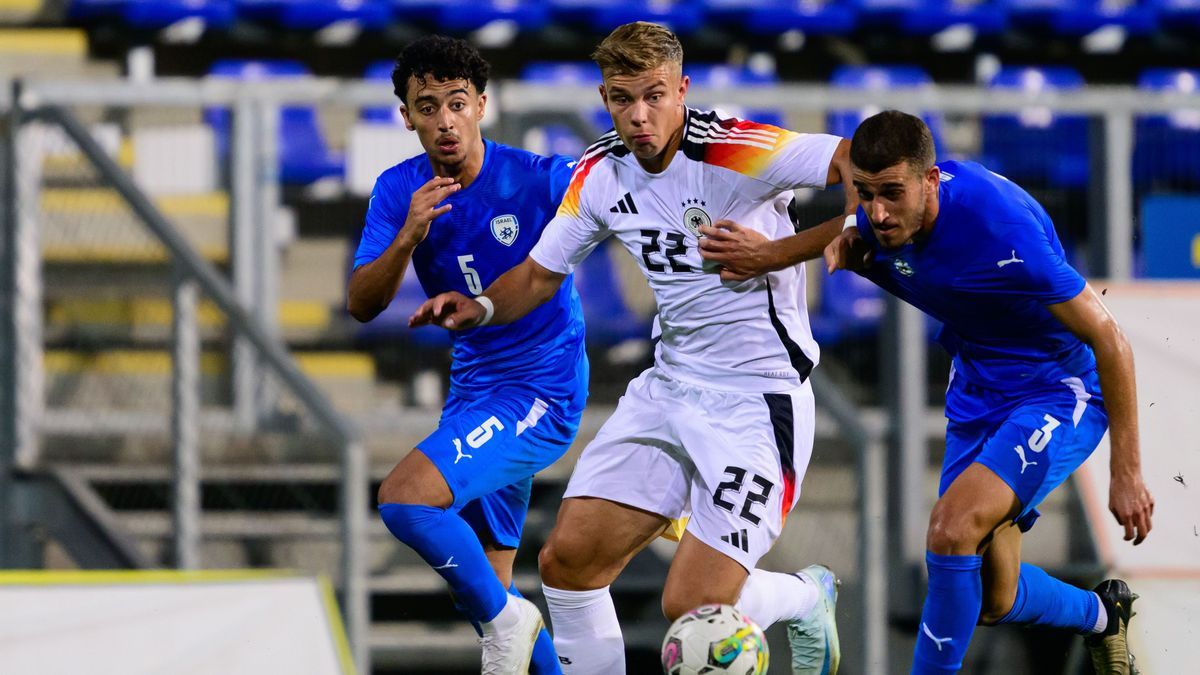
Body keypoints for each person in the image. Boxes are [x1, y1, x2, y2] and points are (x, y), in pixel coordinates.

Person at [410, 21, 856, 675]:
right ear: (604, 97)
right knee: (568, 563)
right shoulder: (598, 173)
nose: (639, 115)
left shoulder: (735, 148)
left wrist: (789, 248)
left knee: (693, 603)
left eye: (653, 95)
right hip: (669, 389)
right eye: (623, 98)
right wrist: (478, 306)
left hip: (758, 402)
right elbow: (538, 274)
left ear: (683, 89)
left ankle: (803, 595)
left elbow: (854, 161)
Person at [704, 109, 1155, 675]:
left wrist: (1127, 471)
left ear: (931, 179)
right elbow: (852, 232)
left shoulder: (1003, 233)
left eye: (891, 193)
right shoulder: (880, 217)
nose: (877, 212)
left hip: (1056, 390)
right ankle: (1100, 615)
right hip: (977, 387)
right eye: (864, 195)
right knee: (994, 599)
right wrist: (766, 254)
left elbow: (1110, 339)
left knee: (949, 530)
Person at [347, 35, 587, 674]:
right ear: (407, 117)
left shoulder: (538, 179)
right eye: (428, 107)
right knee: (491, 593)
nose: (444, 120)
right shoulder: (400, 191)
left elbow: (622, 208)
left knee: (404, 499)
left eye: (457, 103)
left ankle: (509, 623)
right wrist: (407, 239)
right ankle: (514, 627)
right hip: (475, 388)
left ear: (482, 105)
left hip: (541, 391)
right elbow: (362, 303)